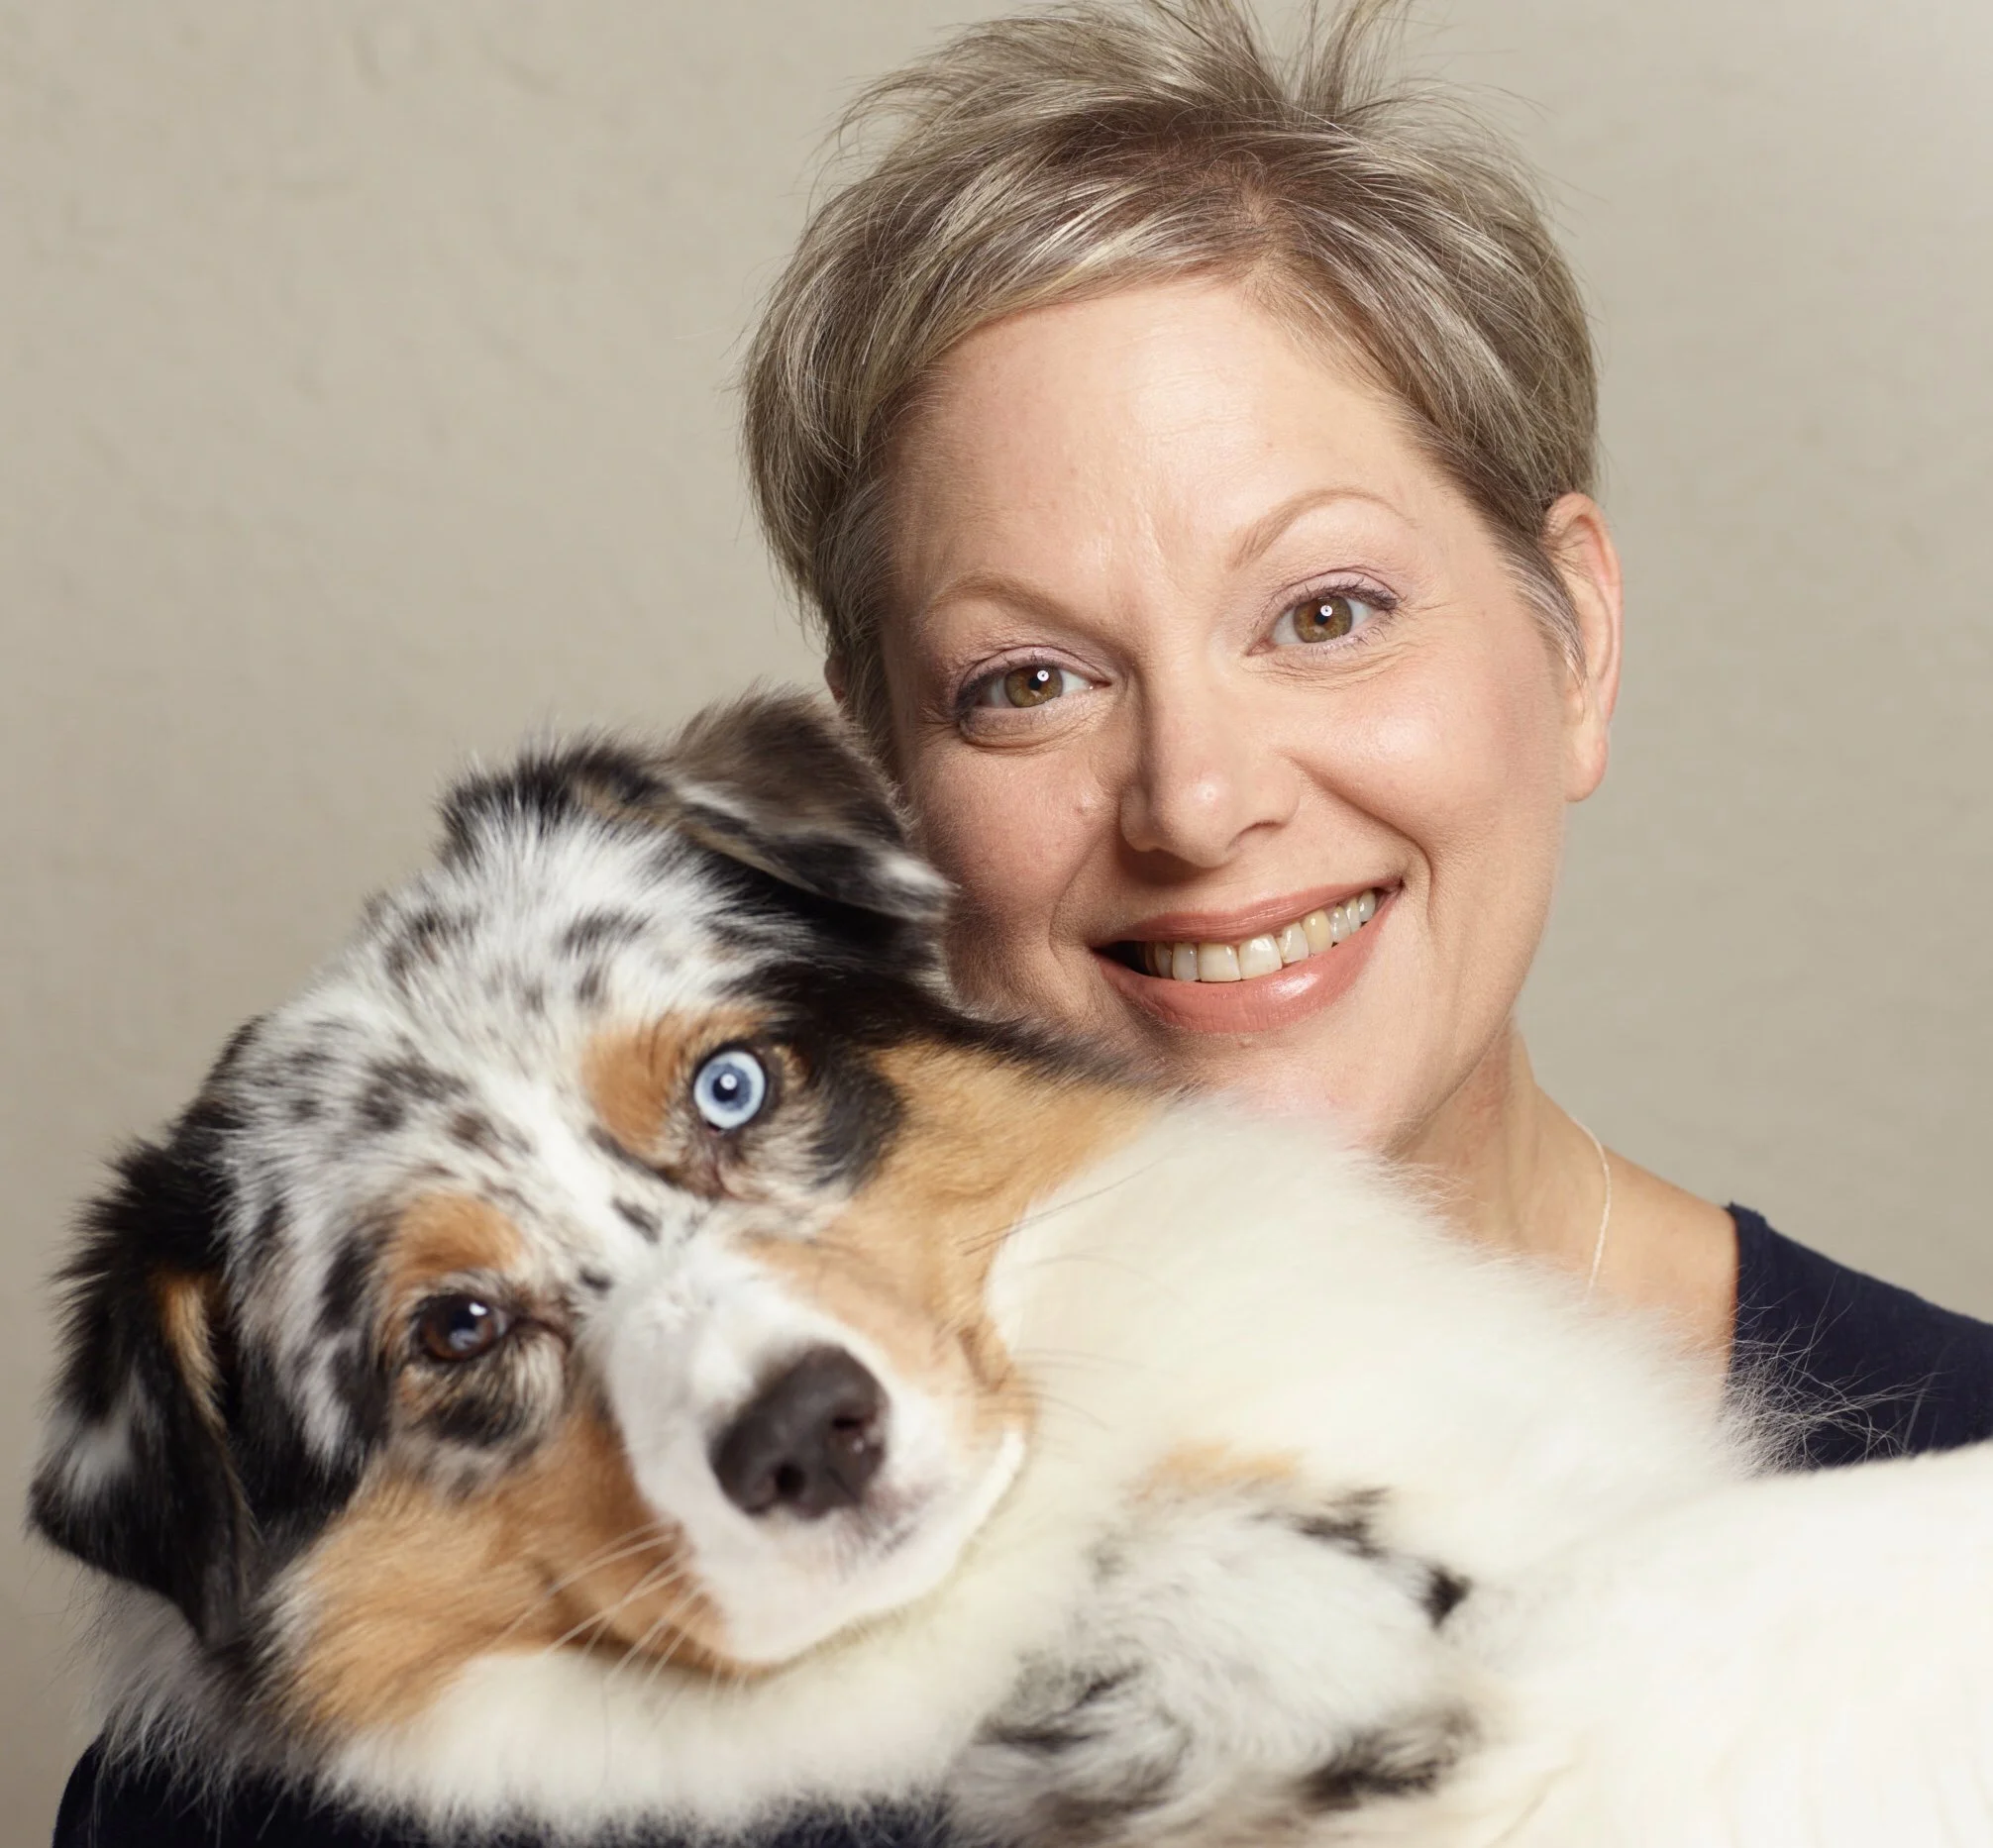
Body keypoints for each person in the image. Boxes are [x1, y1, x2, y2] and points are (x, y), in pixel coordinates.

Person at [52, 1, 1993, 1843]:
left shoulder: (1944, 1466)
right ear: (886, 784)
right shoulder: (310, 1792)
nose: (1199, 799)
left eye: (1324, 611)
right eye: (1025, 682)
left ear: (1571, 644)